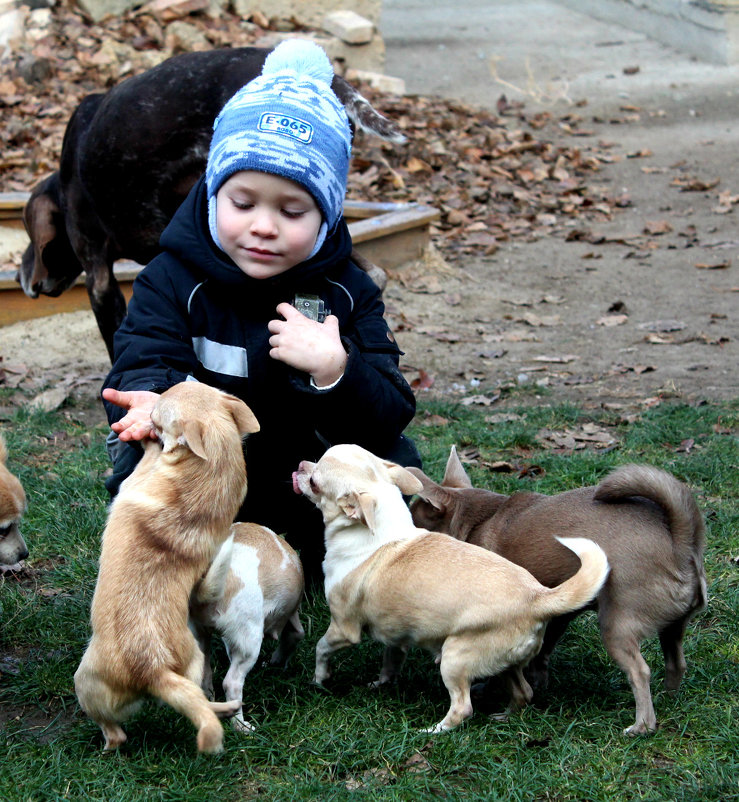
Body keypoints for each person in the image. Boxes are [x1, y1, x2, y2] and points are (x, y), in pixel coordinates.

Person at [101, 39, 420, 584]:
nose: (264, 226)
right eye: (243, 203)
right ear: (211, 196)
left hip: (307, 479)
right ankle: (173, 569)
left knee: (396, 458)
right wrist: (151, 397)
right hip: (213, 478)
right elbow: (142, 356)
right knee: (142, 458)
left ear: (326, 216)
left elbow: (390, 412)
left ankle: (357, 570)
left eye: (292, 210)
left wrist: (335, 370)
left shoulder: (347, 292)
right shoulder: (171, 278)